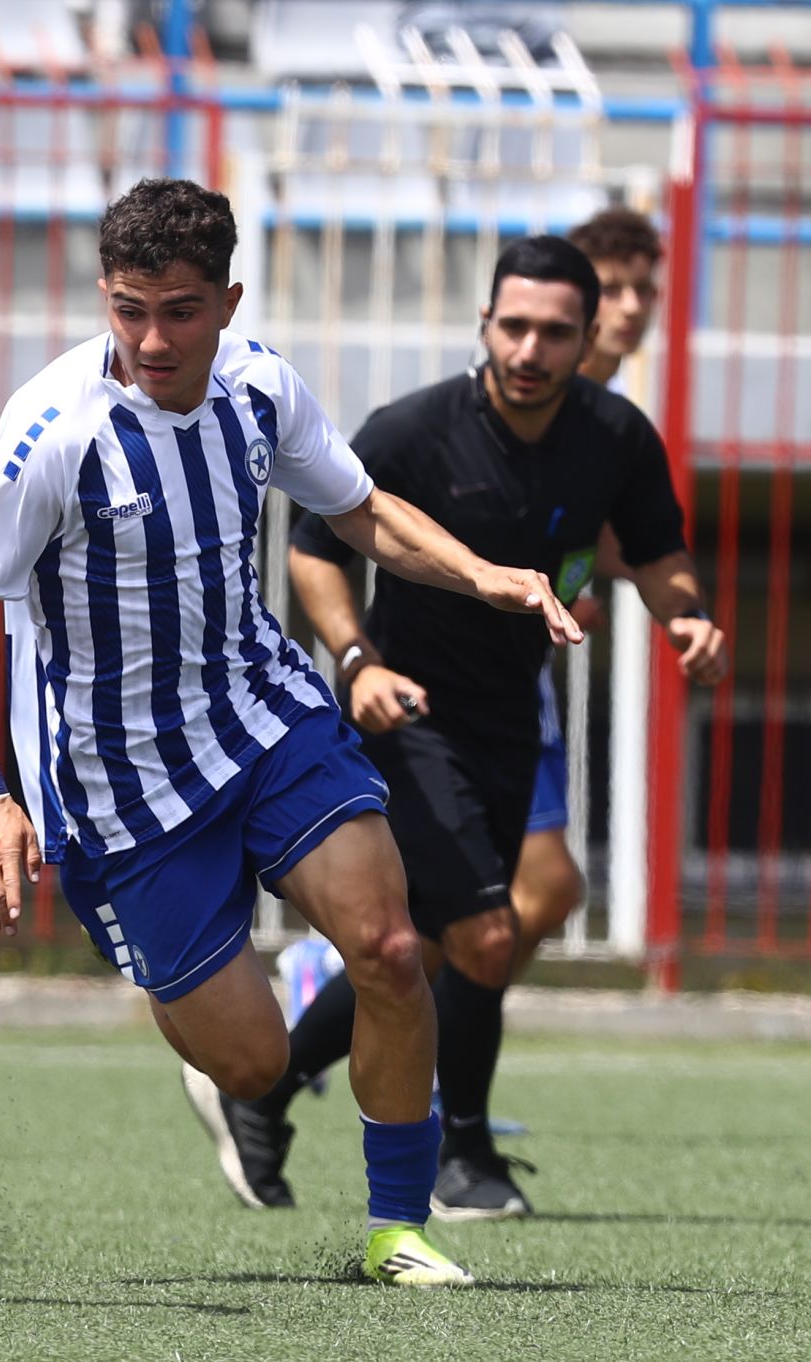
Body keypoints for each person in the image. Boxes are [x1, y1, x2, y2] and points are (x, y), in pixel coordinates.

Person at [0, 178, 581, 1287]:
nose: (151, 339)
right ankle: (210, 1019)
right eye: (128, 309)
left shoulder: (260, 386)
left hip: (262, 717)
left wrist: (484, 577)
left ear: (227, 303)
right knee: (255, 1062)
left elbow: (358, 509)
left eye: (180, 311)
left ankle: (396, 1229)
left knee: (391, 950)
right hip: (122, 786)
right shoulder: (54, 432)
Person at [227, 235, 725, 1222]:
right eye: (514, 327)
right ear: (485, 324)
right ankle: (460, 1158)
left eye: (554, 332)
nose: (530, 350)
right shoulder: (412, 431)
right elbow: (315, 551)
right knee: (487, 934)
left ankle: (265, 1092)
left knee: (425, 949)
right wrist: (357, 661)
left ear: (586, 337)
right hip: (408, 714)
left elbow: (657, 552)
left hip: (509, 719)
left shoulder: (615, 437)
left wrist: (686, 616)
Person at [508, 207, 666, 978]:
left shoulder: (609, 417)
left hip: (519, 662)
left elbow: (579, 529)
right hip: (465, 659)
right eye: (614, 288)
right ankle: (345, 984)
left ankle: (418, 1031)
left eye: (645, 289)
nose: (632, 307)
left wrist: (625, 580)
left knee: (512, 894)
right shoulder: (528, 392)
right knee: (543, 889)